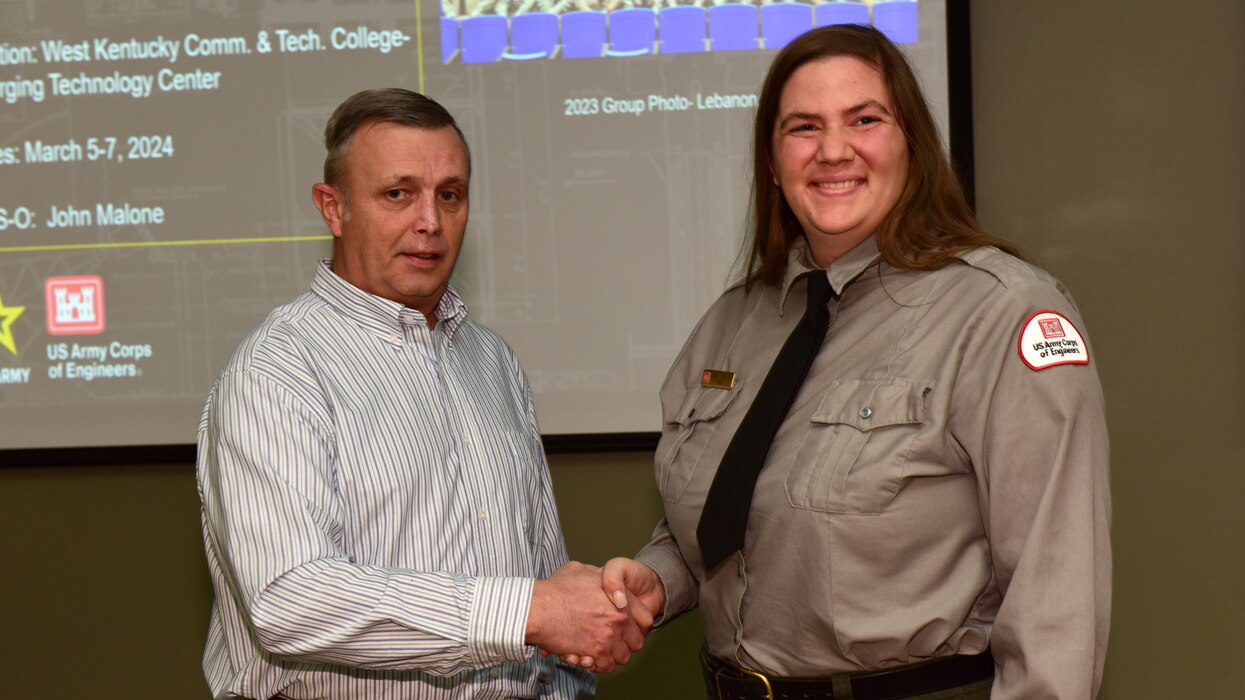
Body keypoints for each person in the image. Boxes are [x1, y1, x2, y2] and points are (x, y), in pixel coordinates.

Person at [599, 25, 1111, 699]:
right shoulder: (733, 322)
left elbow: (1056, 599)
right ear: (773, 163)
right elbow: (731, 517)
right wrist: (660, 578)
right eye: (803, 127)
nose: (832, 150)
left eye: (864, 120)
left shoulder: (1001, 312)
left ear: (912, 146)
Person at [196, 88, 643, 700]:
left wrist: (567, 636)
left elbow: (545, 585)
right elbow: (289, 599)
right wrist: (528, 612)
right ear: (333, 208)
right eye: (397, 193)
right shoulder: (277, 370)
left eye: (450, 195)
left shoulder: (492, 361)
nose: (430, 221)